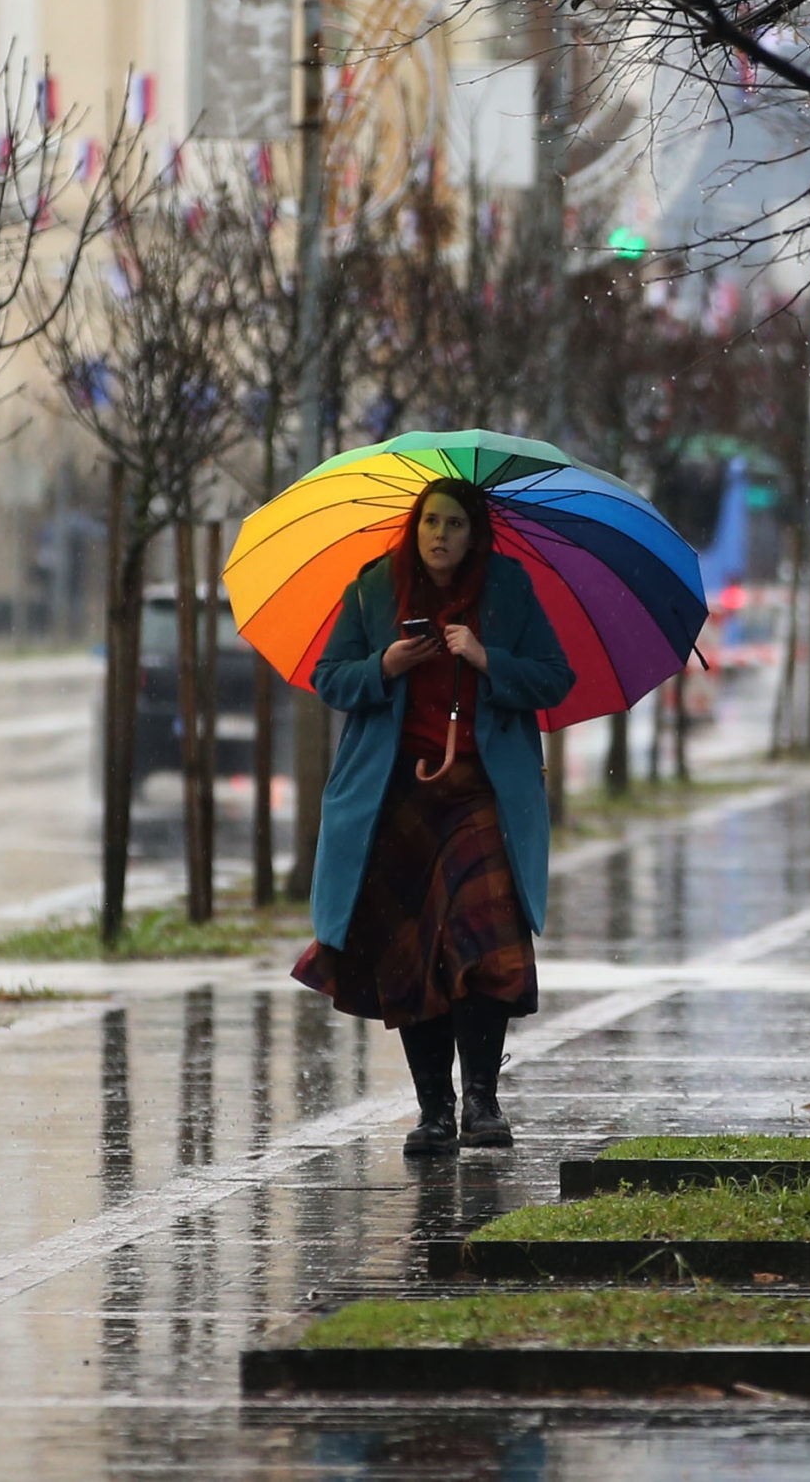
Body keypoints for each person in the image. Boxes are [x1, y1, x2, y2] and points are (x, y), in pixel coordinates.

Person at [291, 479, 574, 1155]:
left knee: (484, 945)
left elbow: (553, 677)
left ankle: (481, 1100)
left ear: (475, 534)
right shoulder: (374, 589)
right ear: (414, 528)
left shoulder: (508, 590)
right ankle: (434, 1110)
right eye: (429, 522)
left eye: (453, 524)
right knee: (411, 950)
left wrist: (486, 657)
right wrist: (383, 665)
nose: (439, 535)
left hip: (481, 792)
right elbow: (330, 677)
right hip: (396, 795)